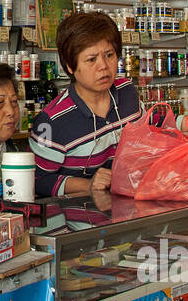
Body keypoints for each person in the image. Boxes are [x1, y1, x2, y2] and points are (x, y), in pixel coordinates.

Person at [30, 11, 142, 197]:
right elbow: (37, 181)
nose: (103, 66)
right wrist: (88, 185)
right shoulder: (50, 121)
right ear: (70, 67)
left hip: (128, 213)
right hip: (77, 220)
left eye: (109, 55)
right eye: (91, 59)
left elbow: (152, 125)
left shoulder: (126, 91)